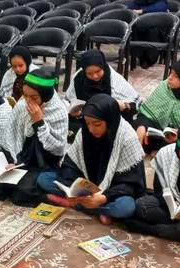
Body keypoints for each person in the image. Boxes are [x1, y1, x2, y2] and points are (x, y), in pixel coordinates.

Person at [37, 94, 145, 224]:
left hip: (112, 192)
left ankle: (79, 204)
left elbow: (132, 184)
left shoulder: (127, 138)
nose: (91, 129)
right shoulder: (85, 132)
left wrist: (104, 197)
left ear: (110, 120)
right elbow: (70, 164)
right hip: (86, 189)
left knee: (126, 207)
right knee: (44, 179)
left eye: (97, 124)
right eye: (87, 123)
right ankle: (98, 209)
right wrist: (75, 188)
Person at [0, 68, 69, 206]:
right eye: (25, 95)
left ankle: (50, 197)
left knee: (21, 193)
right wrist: (13, 160)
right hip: (22, 159)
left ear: (45, 95)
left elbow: (56, 149)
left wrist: (39, 122)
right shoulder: (23, 104)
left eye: (34, 97)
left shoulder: (58, 111)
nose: (28, 101)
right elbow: (11, 136)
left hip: (44, 163)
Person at [65, 50, 140, 133]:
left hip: (108, 121)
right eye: (89, 74)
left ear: (103, 66)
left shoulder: (113, 80)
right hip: (85, 119)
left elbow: (135, 104)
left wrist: (123, 105)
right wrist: (74, 112)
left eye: (98, 71)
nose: (95, 76)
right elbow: (68, 101)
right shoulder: (78, 78)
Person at [126, 0, 168, 69]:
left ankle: (149, 59)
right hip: (141, 25)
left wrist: (142, 10)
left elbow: (160, 7)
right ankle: (137, 56)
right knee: (134, 28)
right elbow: (130, 7)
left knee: (152, 30)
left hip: (156, 25)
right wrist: (131, 10)